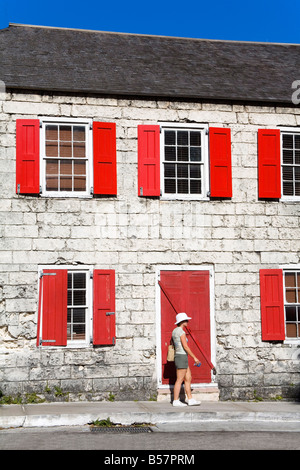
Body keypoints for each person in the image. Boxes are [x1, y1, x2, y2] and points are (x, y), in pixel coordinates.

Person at [171, 312, 201, 407]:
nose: (188, 322)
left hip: (179, 356)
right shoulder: (181, 332)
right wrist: (195, 357)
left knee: (188, 378)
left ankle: (190, 399)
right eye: (186, 320)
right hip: (182, 356)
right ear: (182, 321)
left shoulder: (174, 331)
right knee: (179, 379)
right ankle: (176, 400)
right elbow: (186, 347)